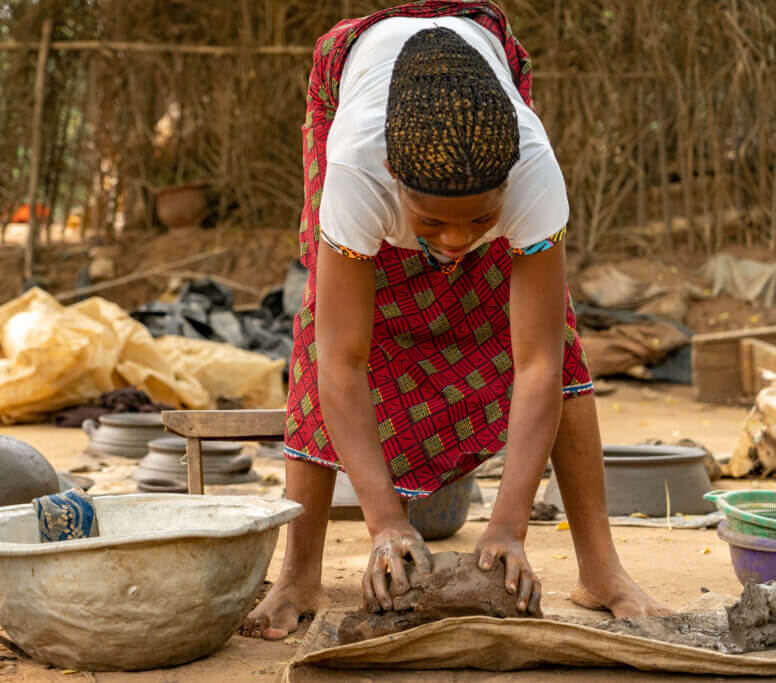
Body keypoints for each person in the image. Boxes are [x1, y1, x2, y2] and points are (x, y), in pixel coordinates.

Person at [239, 1, 671, 641]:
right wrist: (385, 523)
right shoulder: (356, 168)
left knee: (564, 340)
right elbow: (342, 362)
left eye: (479, 220)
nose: (456, 242)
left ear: (508, 185)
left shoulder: (529, 169)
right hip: (351, 83)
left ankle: (600, 568)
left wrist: (507, 528)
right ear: (393, 178)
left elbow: (538, 365)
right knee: (316, 336)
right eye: (433, 221)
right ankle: (298, 574)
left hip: (478, 85)